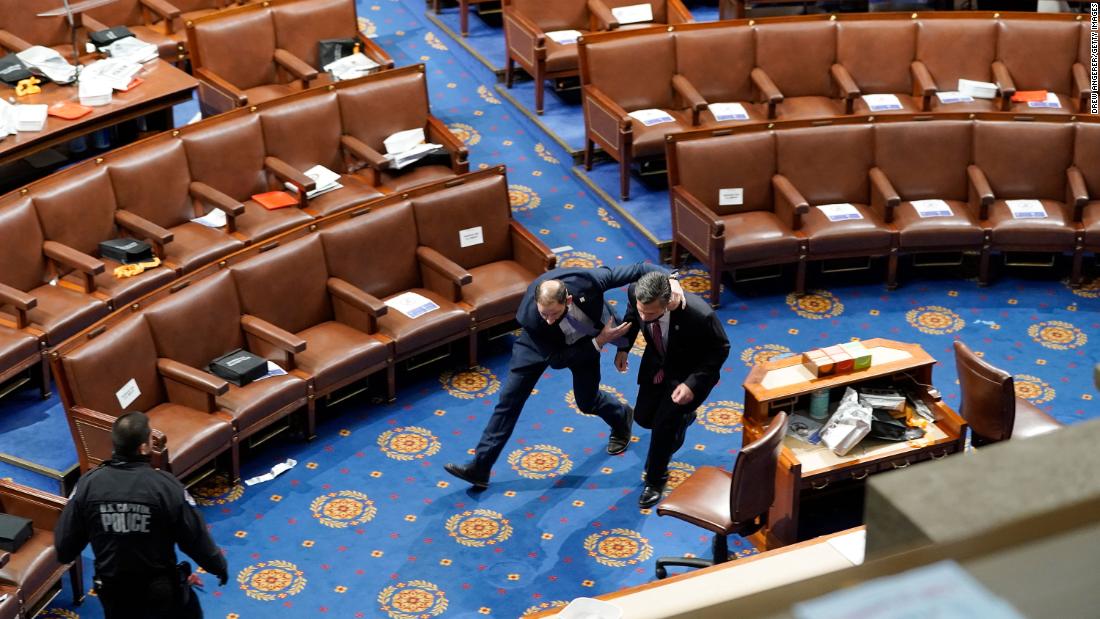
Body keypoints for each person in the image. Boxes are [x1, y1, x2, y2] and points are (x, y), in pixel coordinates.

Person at [444, 263, 680, 489]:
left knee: (586, 402)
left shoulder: (588, 281)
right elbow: (557, 360)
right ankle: (481, 467)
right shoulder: (533, 318)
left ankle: (620, 416)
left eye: (553, 313)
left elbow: (638, 269)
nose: (548, 319)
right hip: (541, 347)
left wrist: (670, 280)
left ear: (567, 300)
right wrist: (599, 342)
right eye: (543, 313)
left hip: (586, 339)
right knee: (509, 401)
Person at [55, 412, 228, 619]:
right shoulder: (166, 487)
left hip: (113, 591)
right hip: (159, 590)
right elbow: (195, 538)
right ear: (143, 447)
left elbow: (65, 547)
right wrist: (217, 565)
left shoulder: (87, 485)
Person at [615, 271, 730, 508]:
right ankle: (684, 418)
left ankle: (655, 480)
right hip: (657, 364)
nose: (644, 317)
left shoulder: (700, 314)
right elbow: (632, 317)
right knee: (644, 418)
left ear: (667, 304)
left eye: (651, 313)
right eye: (641, 310)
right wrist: (624, 348)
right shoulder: (636, 293)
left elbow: (720, 349)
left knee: (662, 429)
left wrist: (692, 384)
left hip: (688, 374)